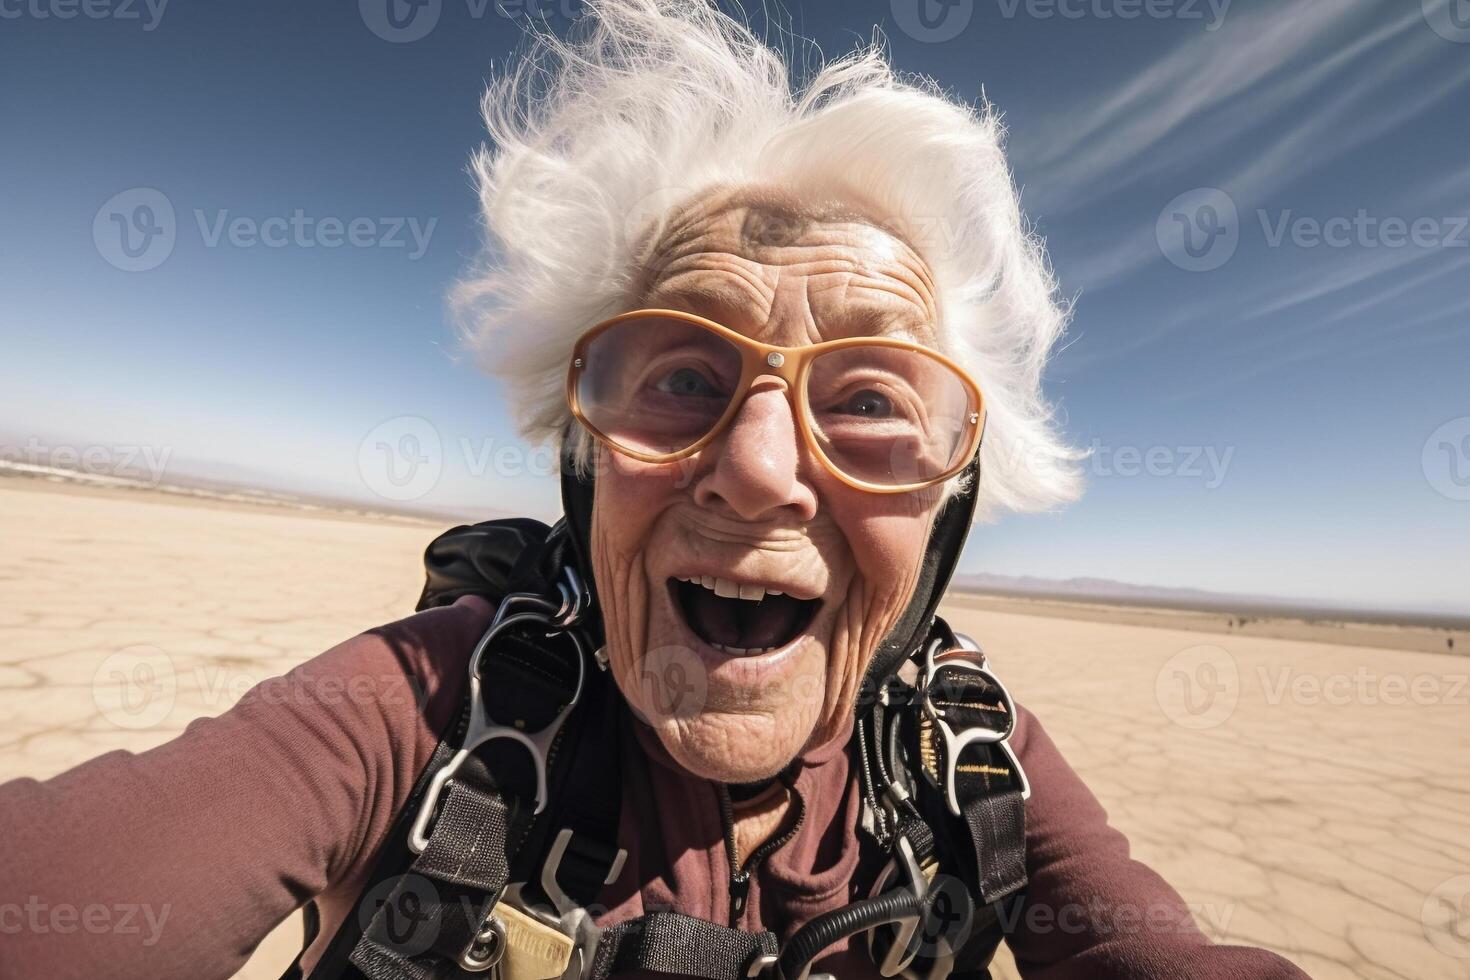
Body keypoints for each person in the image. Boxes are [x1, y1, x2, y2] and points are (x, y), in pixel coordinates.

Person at [0, 2, 1310, 978]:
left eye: (866, 400)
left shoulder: (975, 757)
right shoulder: (425, 707)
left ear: (950, 499)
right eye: (682, 377)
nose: (753, 468)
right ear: (582, 461)